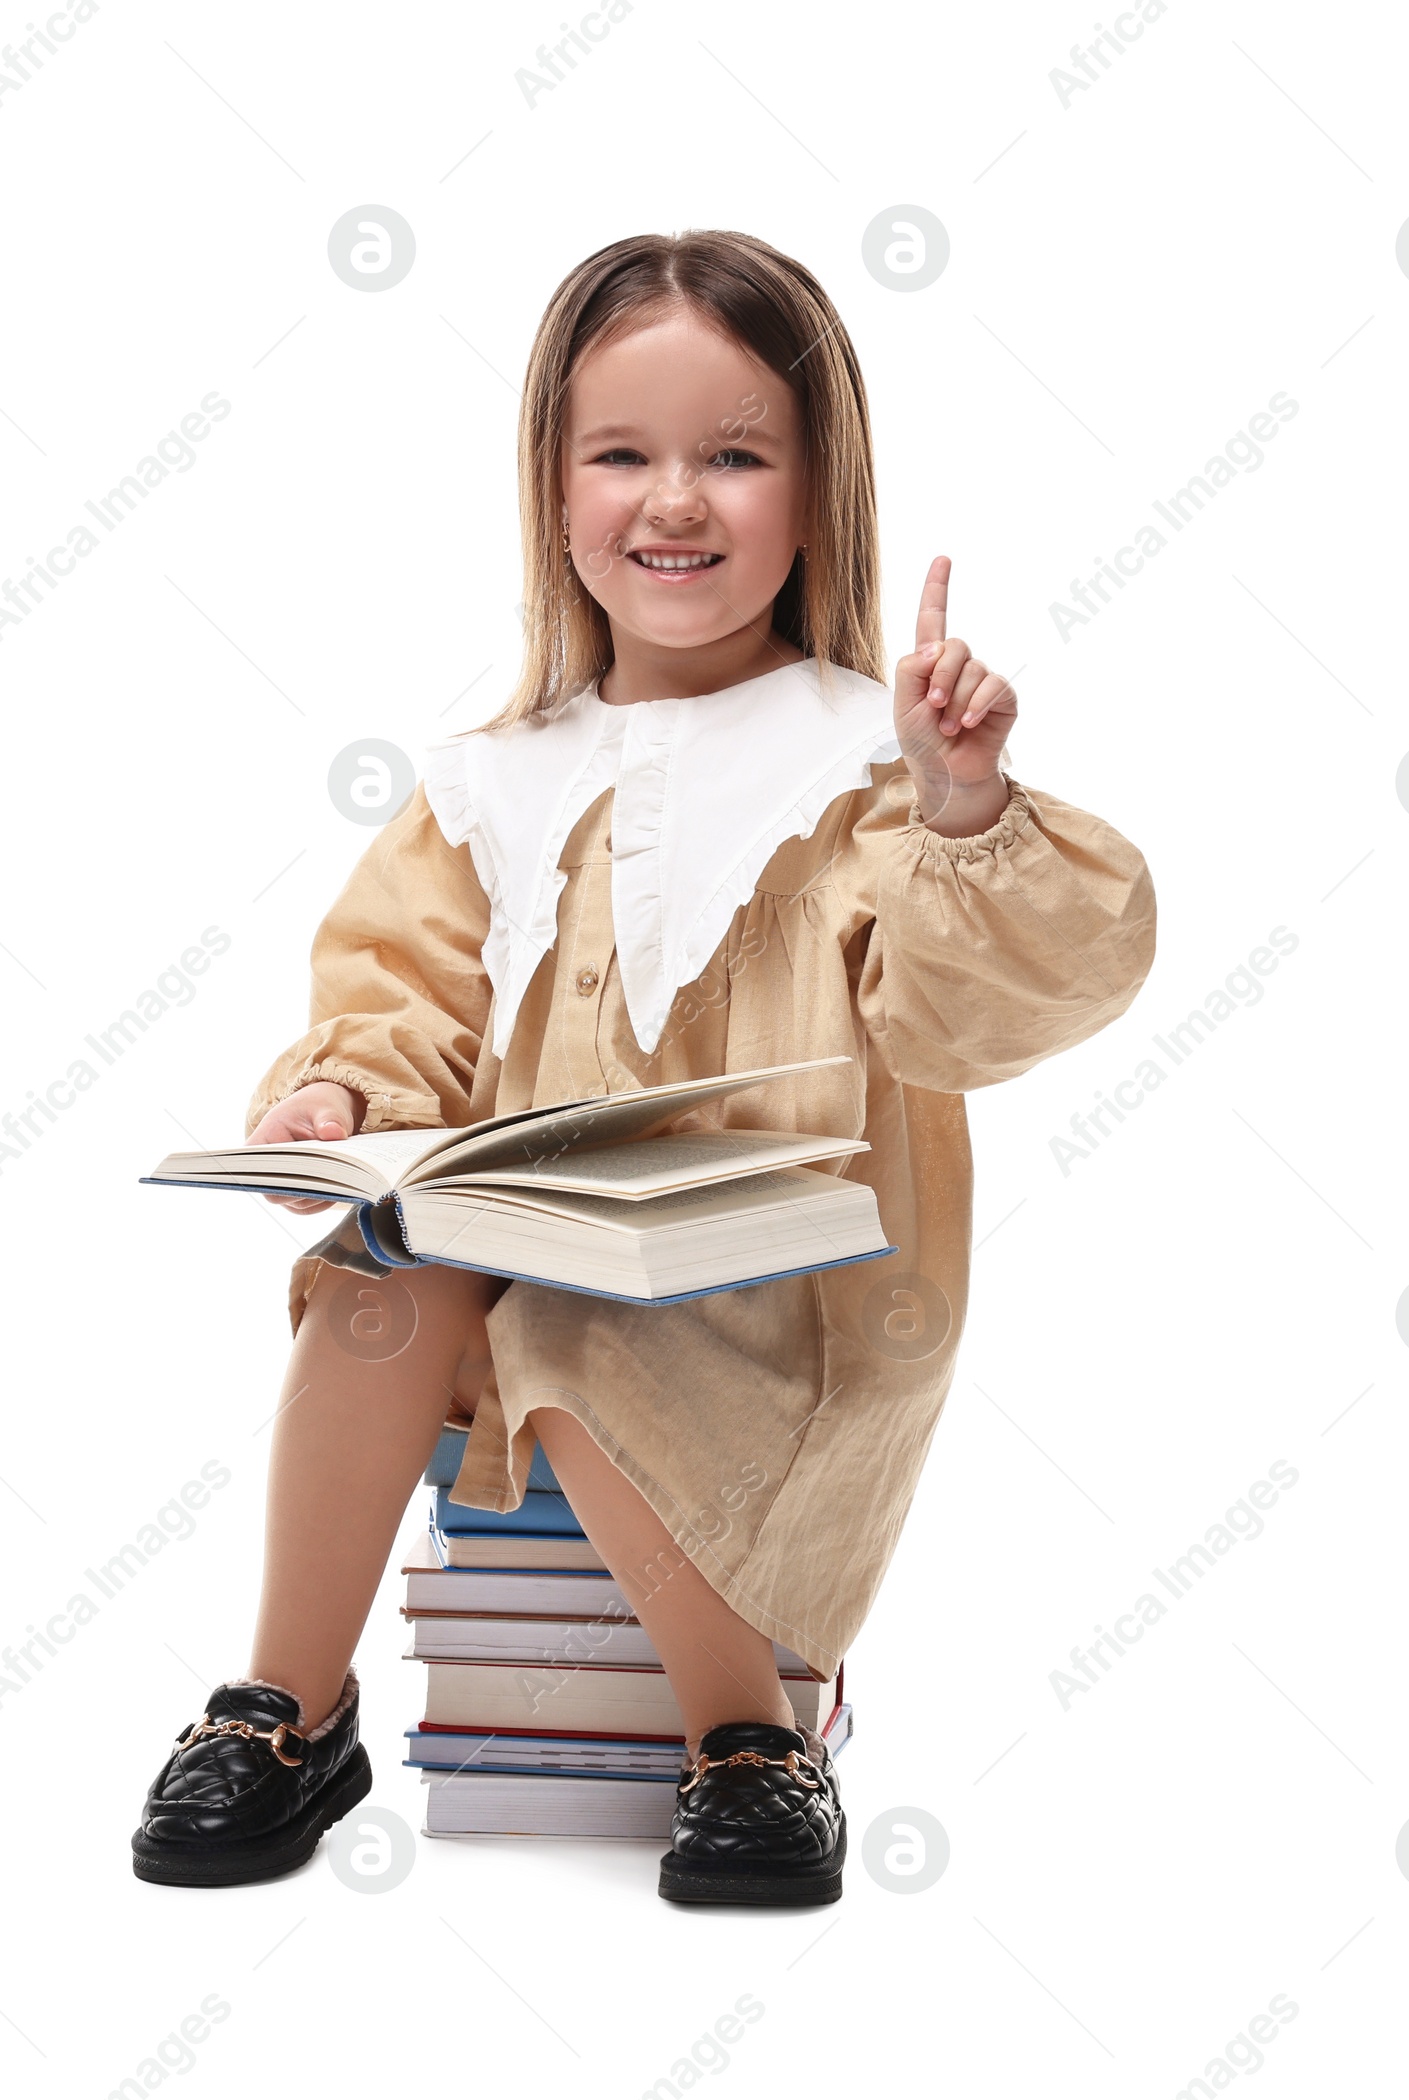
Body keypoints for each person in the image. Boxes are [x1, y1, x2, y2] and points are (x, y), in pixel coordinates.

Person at [131, 229, 1156, 1905]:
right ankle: (285, 1706)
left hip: (790, 1302)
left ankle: (748, 1738)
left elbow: (973, 1012)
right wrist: (344, 1099)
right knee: (379, 1282)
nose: (674, 501)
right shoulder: (490, 781)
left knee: (567, 1320)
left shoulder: (865, 774)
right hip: (522, 1273)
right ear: (553, 494)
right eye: (623, 455)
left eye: (736, 457)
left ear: (819, 496)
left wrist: (967, 807)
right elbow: (401, 996)